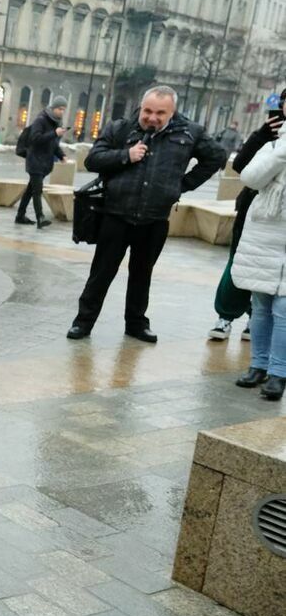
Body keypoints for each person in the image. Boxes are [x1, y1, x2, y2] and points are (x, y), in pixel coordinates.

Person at [67, 85, 225, 342]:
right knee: (101, 273)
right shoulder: (121, 128)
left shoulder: (189, 133)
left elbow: (216, 157)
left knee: (142, 274)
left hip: (154, 219)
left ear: (172, 112)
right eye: (148, 111)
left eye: (160, 113)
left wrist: (181, 185)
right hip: (116, 214)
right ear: (141, 107)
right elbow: (93, 159)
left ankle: (136, 324)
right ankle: (83, 322)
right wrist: (126, 156)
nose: (152, 118)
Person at [208, 107, 283, 341]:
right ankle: (226, 316)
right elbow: (241, 165)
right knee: (239, 262)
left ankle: (255, 318)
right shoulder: (268, 136)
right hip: (254, 210)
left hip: (280, 221)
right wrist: (261, 136)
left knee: (272, 275)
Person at [231, 133, 286, 400]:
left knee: (284, 308)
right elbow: (251, 178)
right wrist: (281, 154)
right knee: (261, 304)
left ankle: (279, 373)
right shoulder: (274, 144)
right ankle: (258, 365)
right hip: (264, 235)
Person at [16, 95, 67, 228]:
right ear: (54, 108)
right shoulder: (41, 119)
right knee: (37, 190)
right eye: (60, 109)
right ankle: (40, 217)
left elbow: (53, 144)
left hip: (44, 162)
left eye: (64, 109)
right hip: (34, 160)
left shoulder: (56, 123)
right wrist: (54, 133)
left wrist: (61, 155)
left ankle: (20, 216)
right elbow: (35, 139)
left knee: (30, 190)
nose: (62, 112)